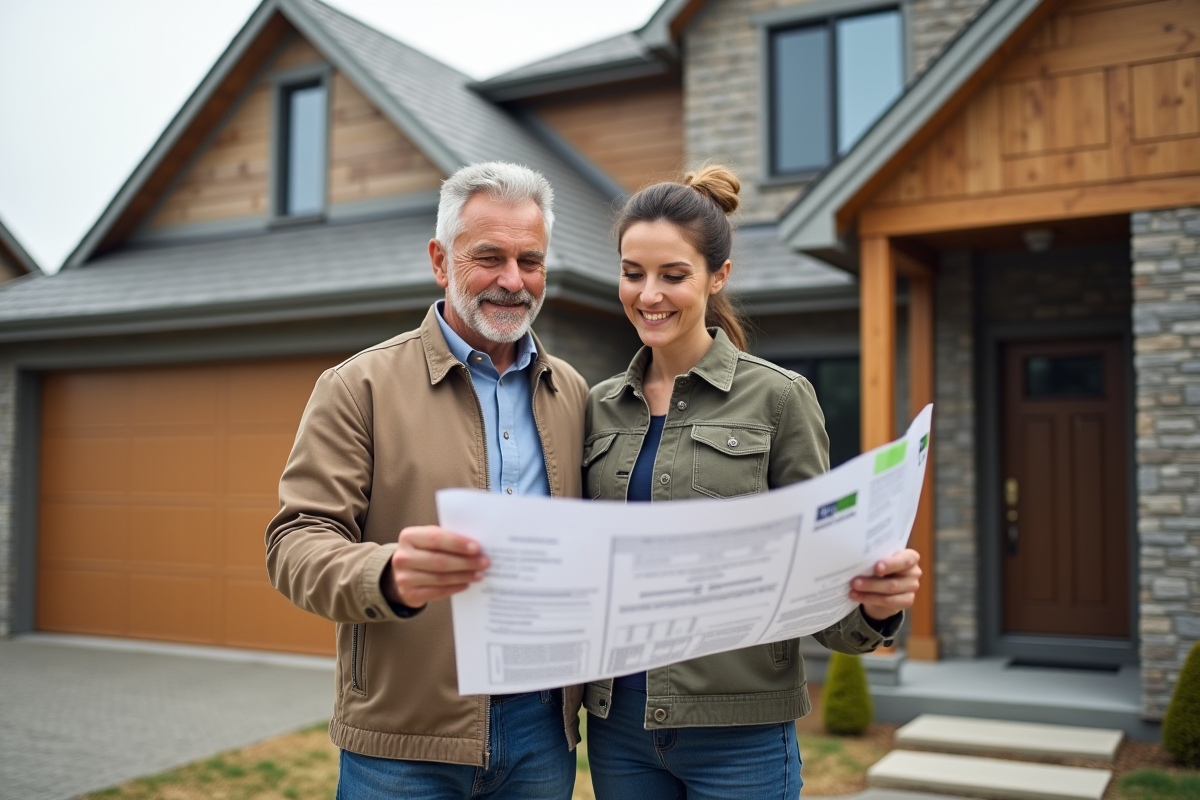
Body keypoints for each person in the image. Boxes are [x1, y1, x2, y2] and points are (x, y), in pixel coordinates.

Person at [579, 165, 922, 800]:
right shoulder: (596, 407)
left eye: (673, 275)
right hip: (618, 729)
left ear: (718, 276)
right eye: (633, 273)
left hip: (741, 735)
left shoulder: (779, 398)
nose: (648, 294)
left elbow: (819, 576)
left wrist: (874, 608)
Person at [266, 162, 588, 800]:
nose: (512, 281)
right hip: (402, 742)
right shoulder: (357, 388)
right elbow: (294, 543)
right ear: (441, 260)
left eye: (531, 260)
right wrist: (385, 575)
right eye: (488, 257)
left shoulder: (572, 393)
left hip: (542, 735)